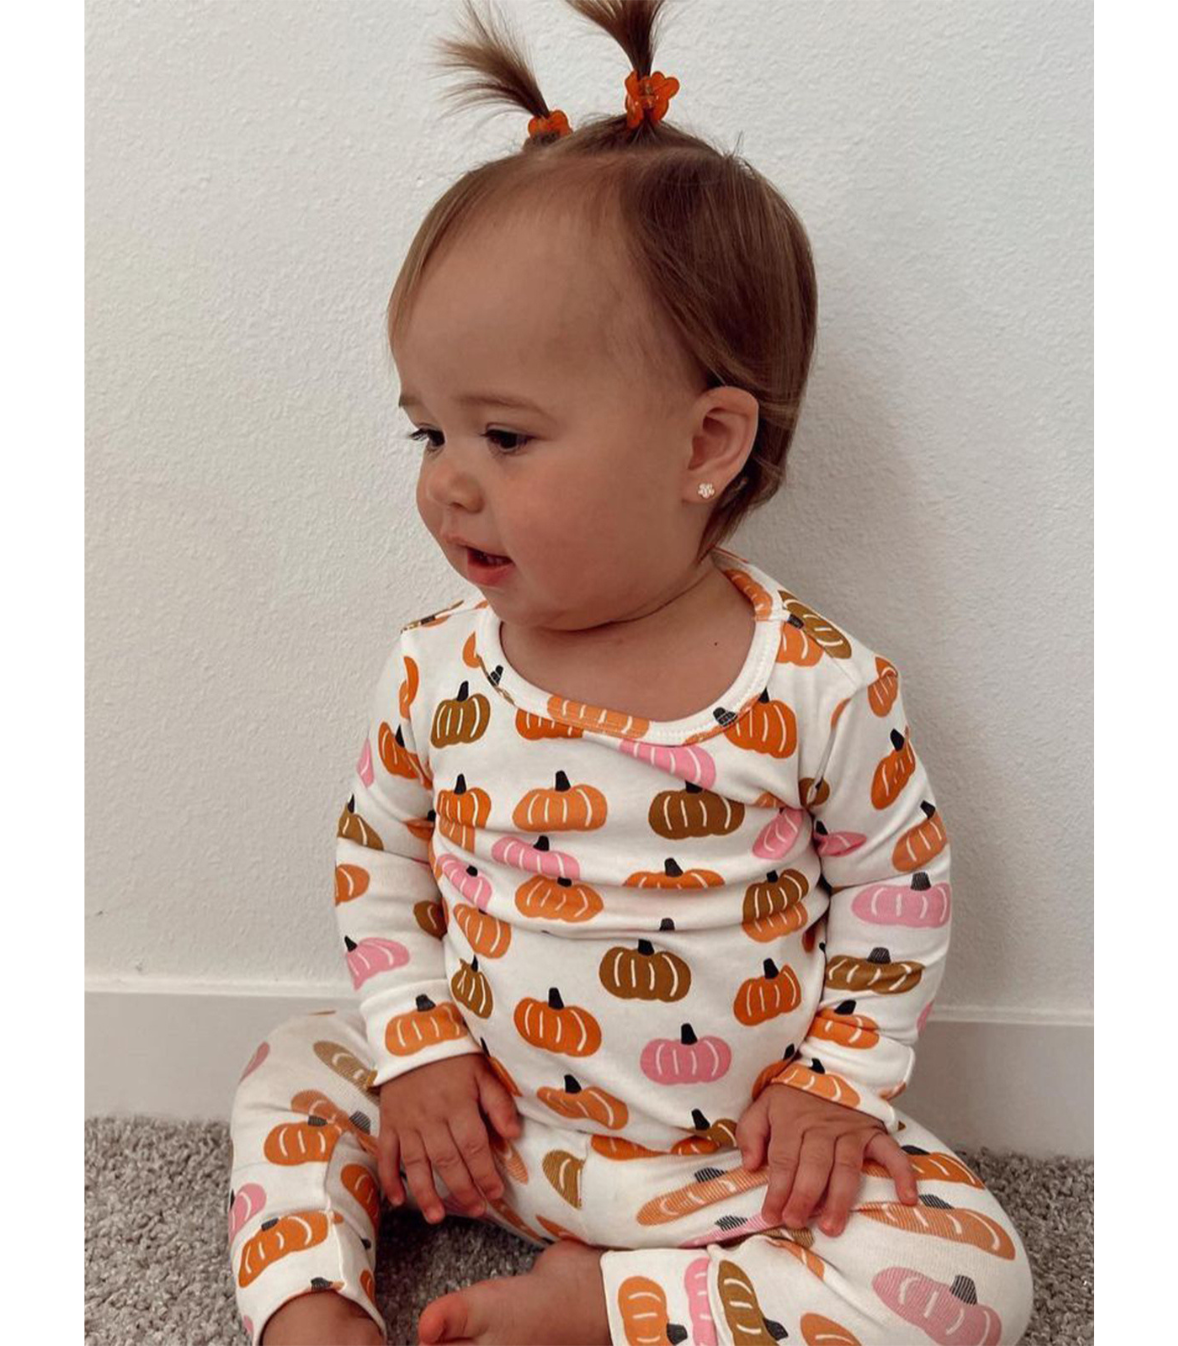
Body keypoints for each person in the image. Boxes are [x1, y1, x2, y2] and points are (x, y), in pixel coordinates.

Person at [226, 2, 1034, 1342]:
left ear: (705, 443)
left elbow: (897, 890)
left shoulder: (820, 686)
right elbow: (378, 854)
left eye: (503, 435)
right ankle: (313, 1310)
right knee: (293, 1067)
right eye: (429, 432)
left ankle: (613, 1307)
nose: (448, 484)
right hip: (480, 1123)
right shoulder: (436, 667)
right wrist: (418, 1046)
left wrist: (834, 1086)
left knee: (976, 1277)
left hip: (722, 1169)